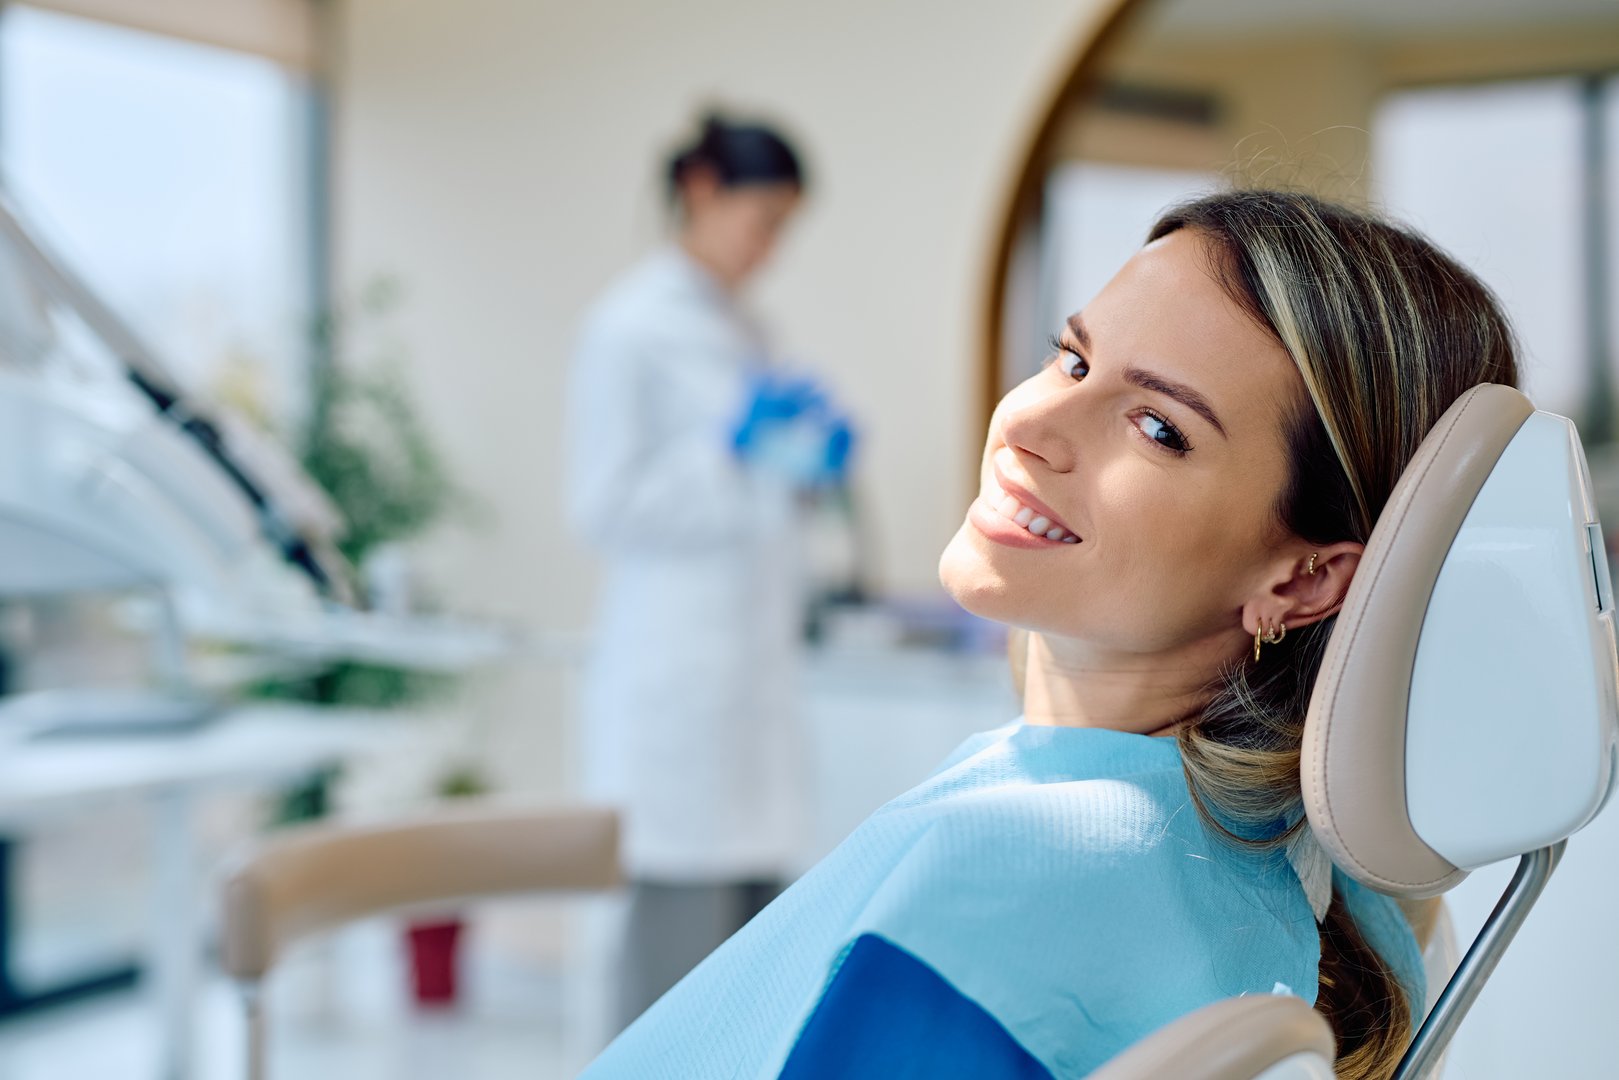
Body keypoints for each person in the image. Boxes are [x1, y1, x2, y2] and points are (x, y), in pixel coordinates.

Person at [581, 190, 1519, 1080]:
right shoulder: (1310, 884)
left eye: (1157, 426)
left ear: (1304, 576)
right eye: (1070, 360)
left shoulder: (1001, 884)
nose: (1032, 426)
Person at [565, 111, 850, 1030]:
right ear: (699, 193)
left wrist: (803, 470)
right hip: (675, 692)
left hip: (748, 687)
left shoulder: (746, 328)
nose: (770, 250)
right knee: (671, 976)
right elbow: (603, 504)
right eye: (761, 223)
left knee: (749, 968)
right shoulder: (627, 326)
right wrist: (730, 454)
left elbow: (753, 508)